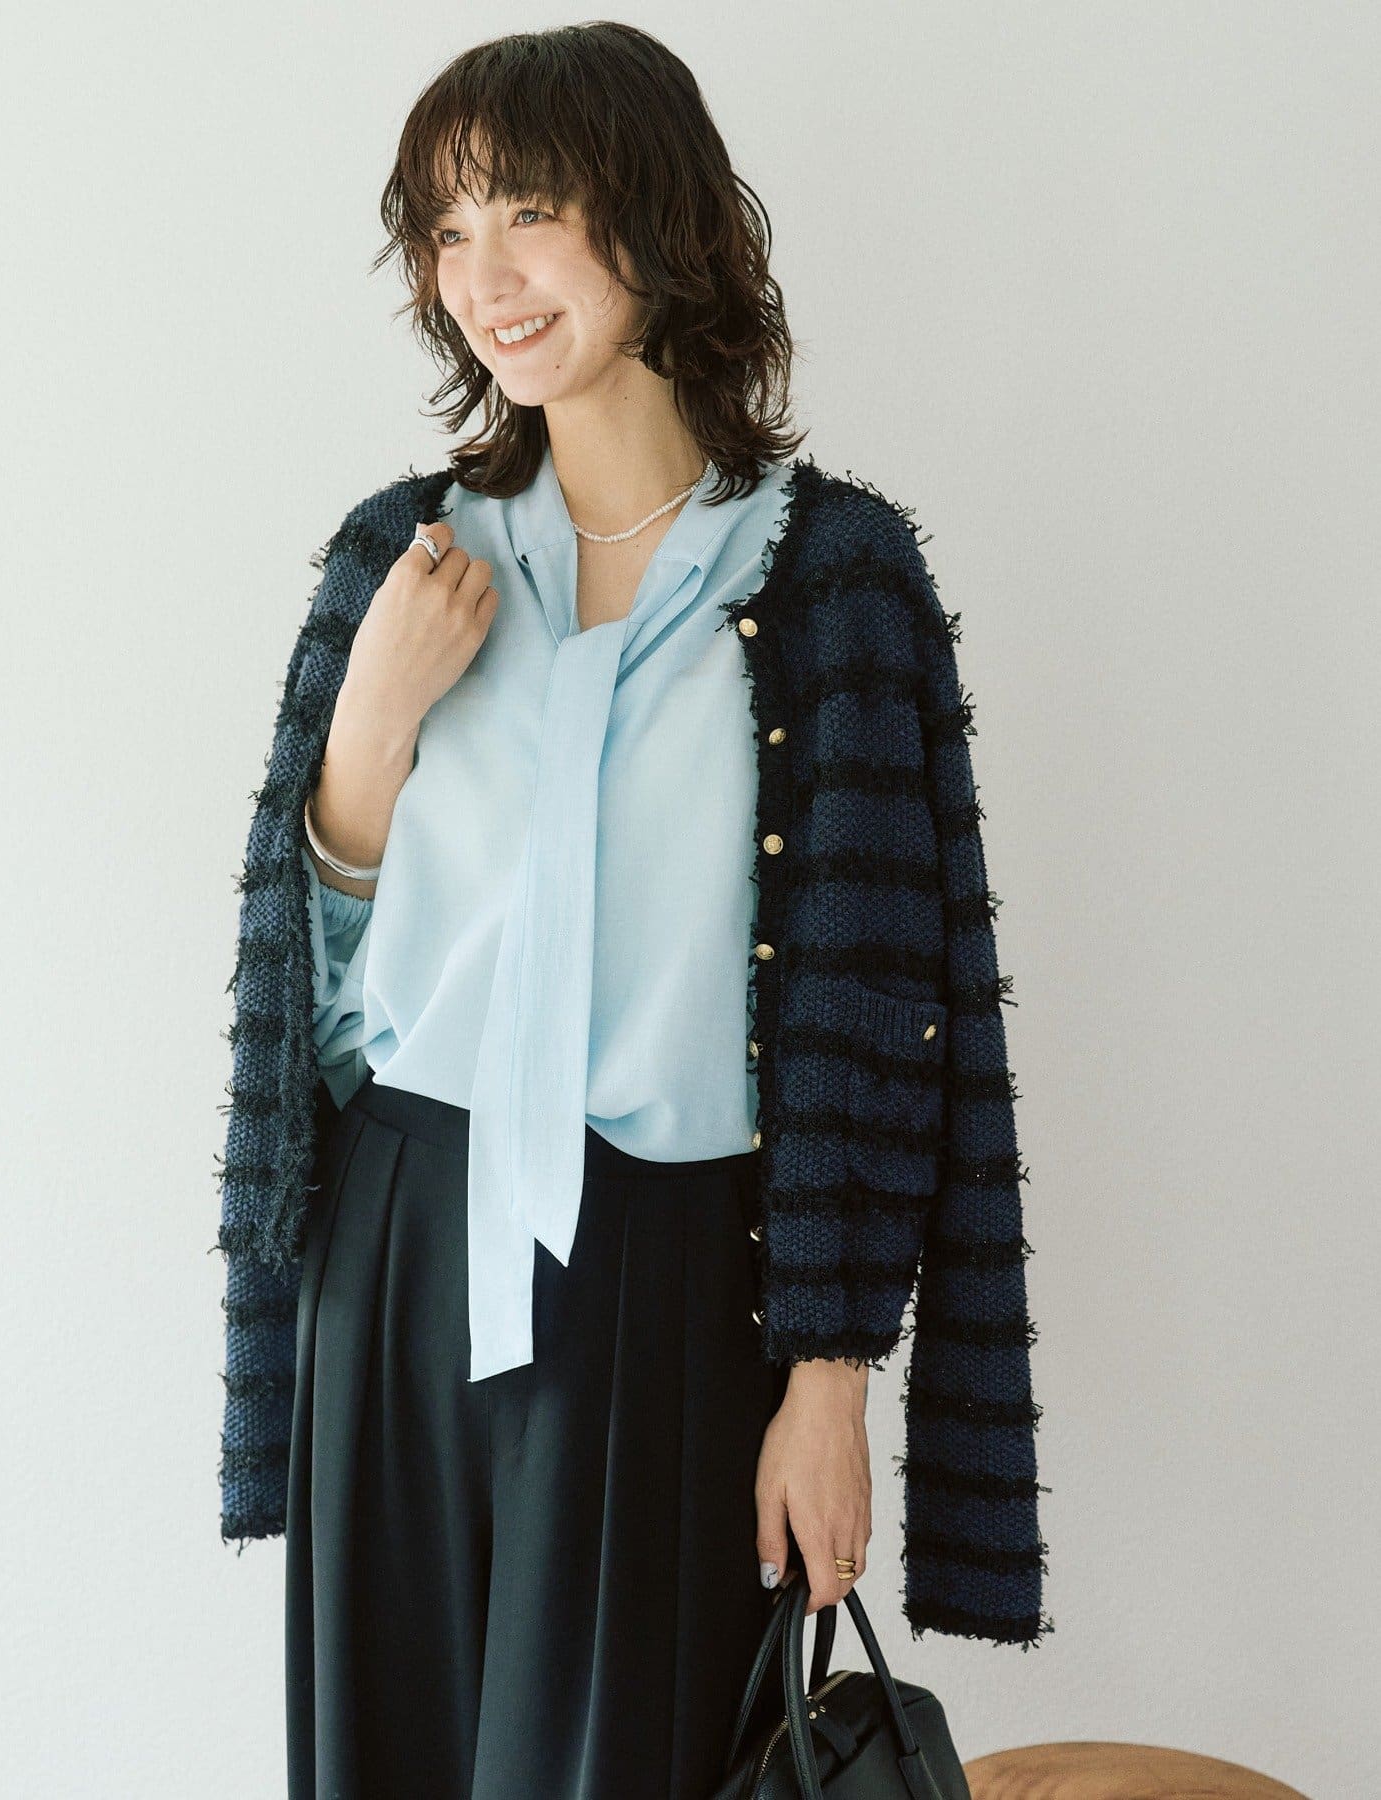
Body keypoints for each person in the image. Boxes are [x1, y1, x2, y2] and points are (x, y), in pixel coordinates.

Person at [215, 22, 1048, 1800]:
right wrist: (369, 731)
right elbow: (315, 1012)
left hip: (667, 1285)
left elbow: (891, 1026)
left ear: (657, 218)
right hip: (401, 1249)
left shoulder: (830, 580)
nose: (485, 279)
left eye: (530, 211)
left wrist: (832, 1381)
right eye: (447, 233)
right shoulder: (400, 559)